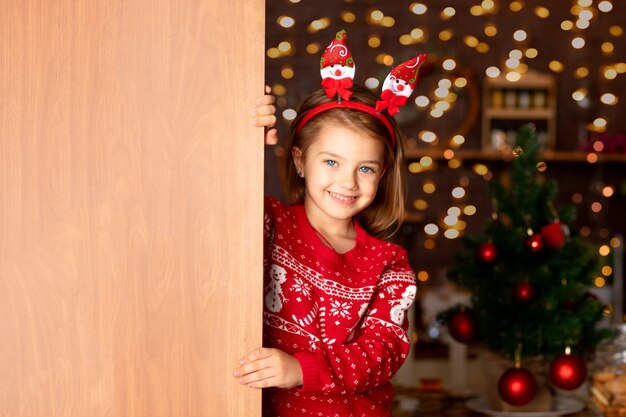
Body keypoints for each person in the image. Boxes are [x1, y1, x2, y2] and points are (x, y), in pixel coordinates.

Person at [232, 30, 427, 417]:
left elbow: (384, 352)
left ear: (383, 173)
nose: (348, 182)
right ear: (301, 161)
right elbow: (216, 209)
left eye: (365, 168)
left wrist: (299, 369)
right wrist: (247, 142)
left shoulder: (389, 263)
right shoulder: (268, 224)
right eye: (331, 162)